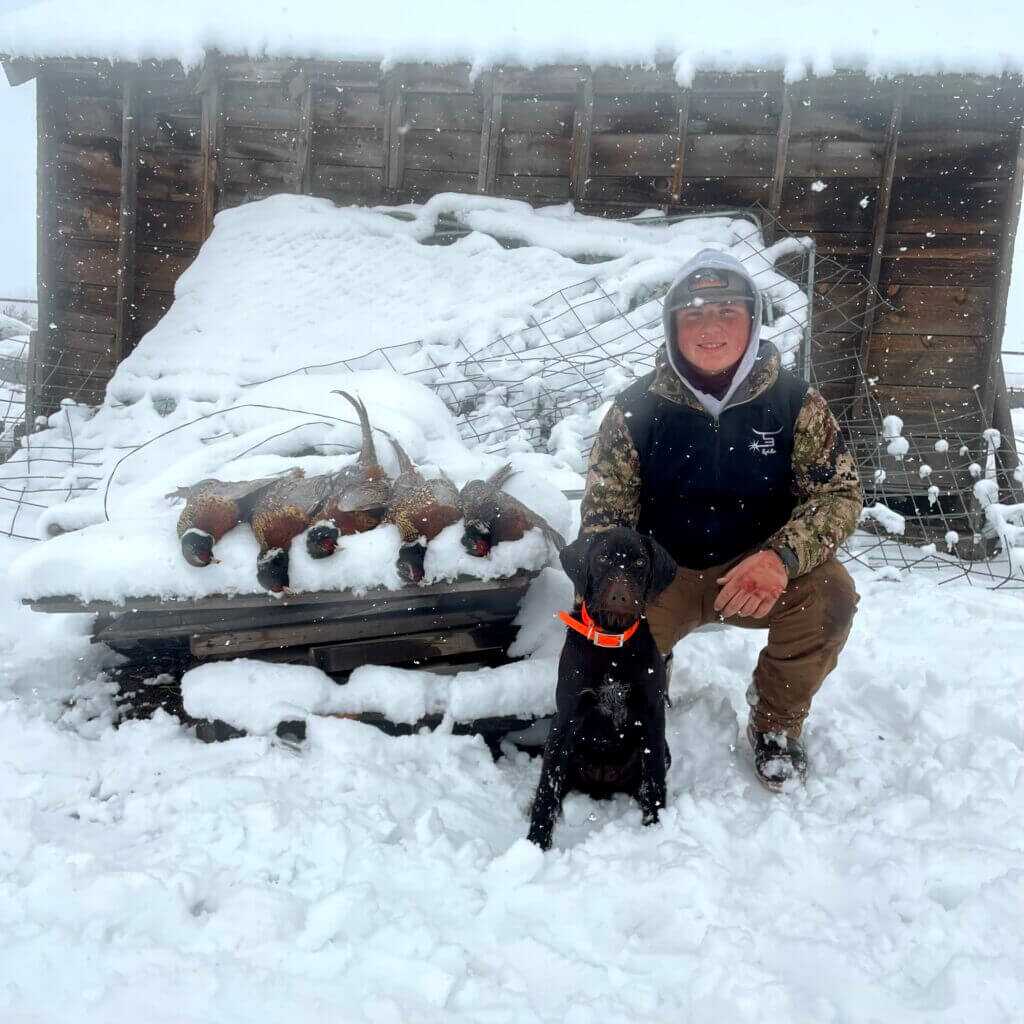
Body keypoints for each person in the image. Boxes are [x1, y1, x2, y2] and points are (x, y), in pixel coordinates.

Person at [579, 248, 863, 789]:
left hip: (755, 573)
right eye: (694, 314)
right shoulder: (635, 410)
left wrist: (780, 558)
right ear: (673, 326)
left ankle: (776, 722)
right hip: (661, 574)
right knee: (600, 617)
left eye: (726, 312)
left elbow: (839, 497)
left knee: (831, 597)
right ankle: (639, 693)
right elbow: (603, 520)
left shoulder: (795, 403)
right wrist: (626, 581)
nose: (710, 328)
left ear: (752, 321)